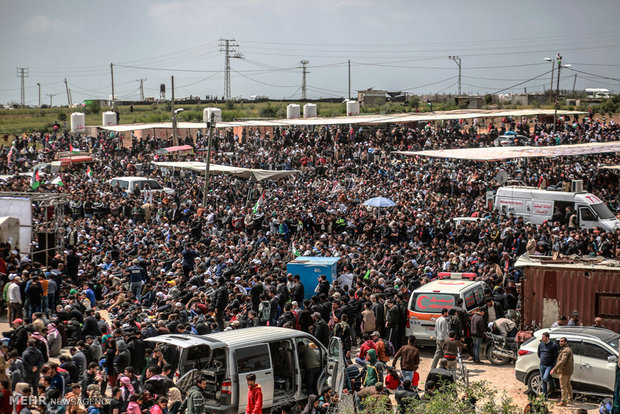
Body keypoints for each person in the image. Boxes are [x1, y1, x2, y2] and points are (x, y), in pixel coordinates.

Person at [550, 337, 573, 406]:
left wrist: (554, 369)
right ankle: (570, 399)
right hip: (568, 371)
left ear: (566, 342)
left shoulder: (566, 350)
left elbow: (562, 361)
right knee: (568, 385)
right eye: (560, 341)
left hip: (564, 371)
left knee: (563, 386)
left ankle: (563, 401)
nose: (560, 343)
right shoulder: (568, 349)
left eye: (562, 341)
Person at [536, 332, 558, 399]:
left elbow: (555, 356)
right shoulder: (541, 345)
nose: (542, 339)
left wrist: (553, 366)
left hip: (549, 365)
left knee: (545, 378)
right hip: (542, 364)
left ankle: (552, 382)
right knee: (543, 380)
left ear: (547, 338)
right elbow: (539, 354)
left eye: (543, 337)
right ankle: (545, 396)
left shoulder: (553, 345)